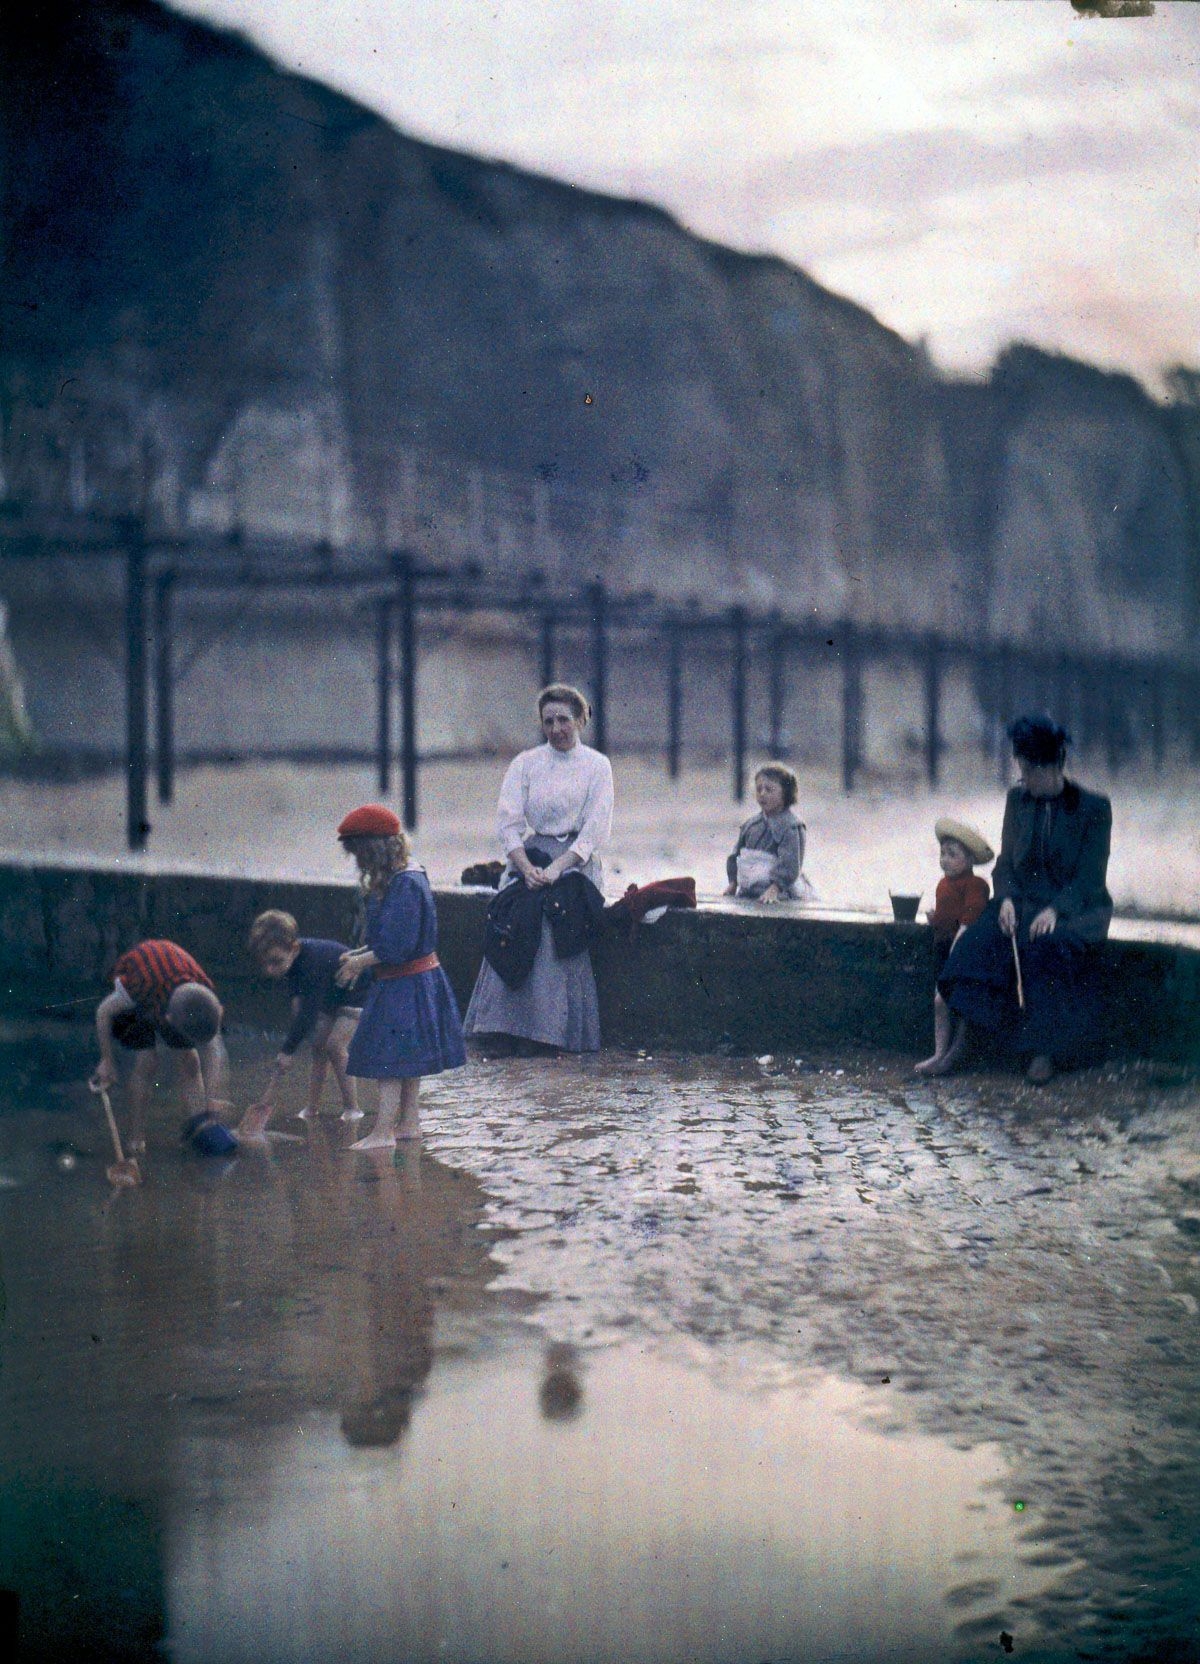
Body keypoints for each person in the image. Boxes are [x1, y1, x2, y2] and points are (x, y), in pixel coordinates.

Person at [935, 715, 1113, 1084]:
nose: (1025, 779)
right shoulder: (1018, 800)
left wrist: (1055, 909)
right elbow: (1005, 863)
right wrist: (1007, 900)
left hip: (1075, 909)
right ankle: (964, 1044)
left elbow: (1090, 878)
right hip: (1022, 902)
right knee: (978, 941)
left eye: (1031, 771)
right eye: (1022, 770)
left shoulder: (1093, 808)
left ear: (1053, 766)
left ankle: (1042, 1051)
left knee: (1045, 944)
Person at [463, 683, 614, 1054]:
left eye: (564, 719)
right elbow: (508, 822)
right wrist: (526, 867)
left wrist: (558, 868)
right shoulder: (526, 763)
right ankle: (503, 1027)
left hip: (575, 861)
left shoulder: (597, 766)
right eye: (549, 721)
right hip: (530, 856)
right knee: (514, 914)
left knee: (554, 918)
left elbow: (594, 830)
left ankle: (548, 1032)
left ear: (580, 719)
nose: (556, 728)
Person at [334, 803, 466, 1148]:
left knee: (390, 1060)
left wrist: (360, 964)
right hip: (418, 979)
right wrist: (361, 953)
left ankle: (381, 1133)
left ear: (374, 850)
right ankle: (409, 1124)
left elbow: (397, 947)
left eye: (360, 854)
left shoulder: (403, 883)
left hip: (404, 983)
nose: (358, 863)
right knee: (409, 1059)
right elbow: (395, 940)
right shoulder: (409, 874)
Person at [90, 939, 228, 1153]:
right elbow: (103, 1012)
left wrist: (212, 1102)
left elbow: (214, 1050)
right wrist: (106, 1060)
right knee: (148, 1060)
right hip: (138, 995)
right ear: (169, 1019)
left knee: (190, 1058)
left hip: (176, 992)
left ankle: (200, 1125)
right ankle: (136, 1138)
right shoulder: (136, 987)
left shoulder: (204, 997)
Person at [237, 910, 365, 1141]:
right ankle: (312, 1107)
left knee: (335, 1046)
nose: (270, 970)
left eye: (276, 962)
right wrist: (299, 1029)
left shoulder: (311, 962)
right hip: (331, 993)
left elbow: (308, 1012)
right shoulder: (293, 962)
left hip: (357, 991)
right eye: (265, 964)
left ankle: (352, 1107)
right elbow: (299, 1003)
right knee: (318, 1046)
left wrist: (287, 1050)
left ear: (294, 949)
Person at [913, 818, 993, 1077]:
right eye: (942, 854)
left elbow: (970, 917)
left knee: (946, 999)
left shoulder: (976, 884)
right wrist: (935, 918)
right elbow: (947, 915)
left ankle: (952, 1053)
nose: (944, 860)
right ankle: (939, 1052)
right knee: (940, 1002)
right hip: (943, 948)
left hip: (963, 950)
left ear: (969, 860)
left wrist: (959, 940)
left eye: (952, 854)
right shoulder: (943, 884)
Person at [723, 762, 816, 904]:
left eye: (769, 789)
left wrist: (775, 888)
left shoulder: (791, 826)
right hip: (749, 888)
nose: (762, 794)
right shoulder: (751, 824)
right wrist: (733, 883)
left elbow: (790, 865)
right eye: (759, 789)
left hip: (782, 892)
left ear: (786, 792)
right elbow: (736, 855)